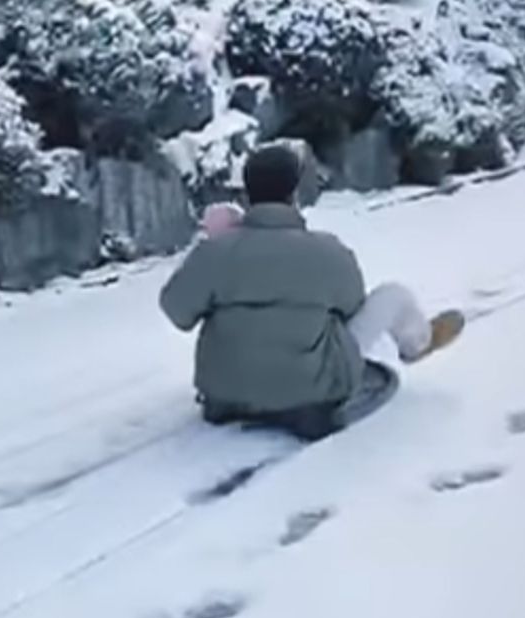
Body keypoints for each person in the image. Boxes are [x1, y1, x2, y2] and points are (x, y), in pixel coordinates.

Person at [160, 143, 463, 441]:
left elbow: (176, 310)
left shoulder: (214, 251)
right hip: (309, 400)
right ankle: (417, 343)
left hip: (224, 397)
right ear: (294, 193)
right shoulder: (327, 251)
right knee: (393, 295)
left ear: (247, 194)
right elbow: (352, 309)